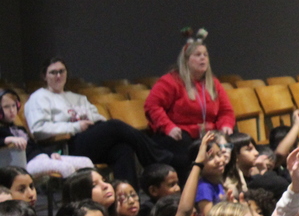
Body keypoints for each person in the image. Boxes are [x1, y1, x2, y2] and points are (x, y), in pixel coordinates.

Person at [24, 59, 171, 188]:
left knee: (123, 149)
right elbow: (39, 130)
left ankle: (126, 200)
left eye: (62, 71)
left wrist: (91, 121)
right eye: (53, 72)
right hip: (65, 146)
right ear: (44, 76)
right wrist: (75, 126)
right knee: (115, 126)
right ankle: (157, 157)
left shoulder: (77, 97)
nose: (58, 76)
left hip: (89, 140)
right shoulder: (39, 98)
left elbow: (96, 116)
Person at [144, 30, 235, 181]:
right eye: (197, 55)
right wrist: (168, 126)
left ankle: (227, 184)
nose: (203, 58)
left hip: (208, 134)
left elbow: (226, 111)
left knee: (232, 140)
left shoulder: (213, 82)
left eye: (205, 55)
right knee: (185, 147)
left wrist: (226, 125)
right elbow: (152, 106)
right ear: (186, 60)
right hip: (181, 134)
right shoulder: (171, 81)